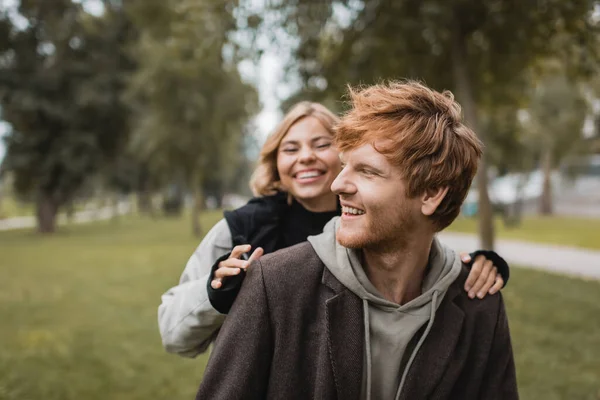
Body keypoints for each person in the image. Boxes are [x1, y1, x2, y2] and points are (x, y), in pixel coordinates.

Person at [195, 81, 518, 399]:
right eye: (346, 164)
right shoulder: (274, 283)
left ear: (430, 194)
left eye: (367, 171)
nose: (338, 184)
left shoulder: (480, 301)